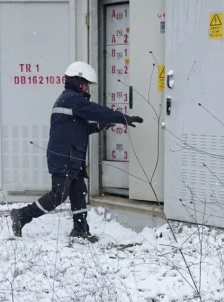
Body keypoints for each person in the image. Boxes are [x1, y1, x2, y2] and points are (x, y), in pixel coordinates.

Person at [10, 61, 143, 242]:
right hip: (64, 157)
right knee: (59, 195)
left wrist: (98, 127)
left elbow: (78, 129)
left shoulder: (69, 100)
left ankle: (80, 230)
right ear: (78, 81)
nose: (88, 88)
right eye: (86, 84)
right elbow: (98, 111)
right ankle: (22, 215)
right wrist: (123, 118)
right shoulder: (72, 99)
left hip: (72, 157)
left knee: (79, 192)